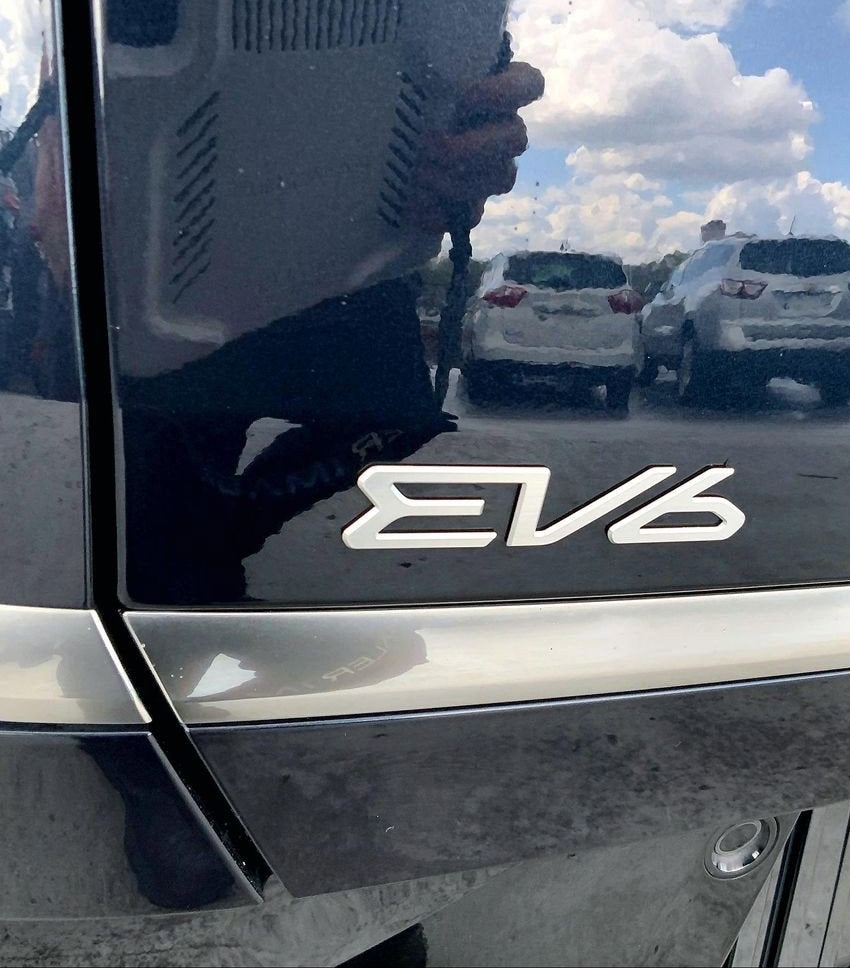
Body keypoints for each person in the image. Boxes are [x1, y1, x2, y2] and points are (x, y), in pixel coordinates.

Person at [118, 36, 544, 606]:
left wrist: (477, 122)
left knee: (397, 414)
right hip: (166, 253)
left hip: (351, 258)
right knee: (158, 508)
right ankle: (190, 565)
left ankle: (202, 558)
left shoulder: (428, 4)